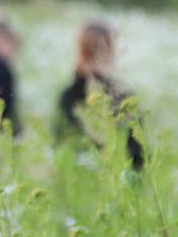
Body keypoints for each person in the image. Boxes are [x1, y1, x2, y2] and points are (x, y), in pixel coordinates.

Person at [57, 21, 144, 170]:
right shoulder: (119, 94)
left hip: (100, 173)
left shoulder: (68, 96)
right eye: (108, 49)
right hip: (101, 173)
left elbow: (61, 145)